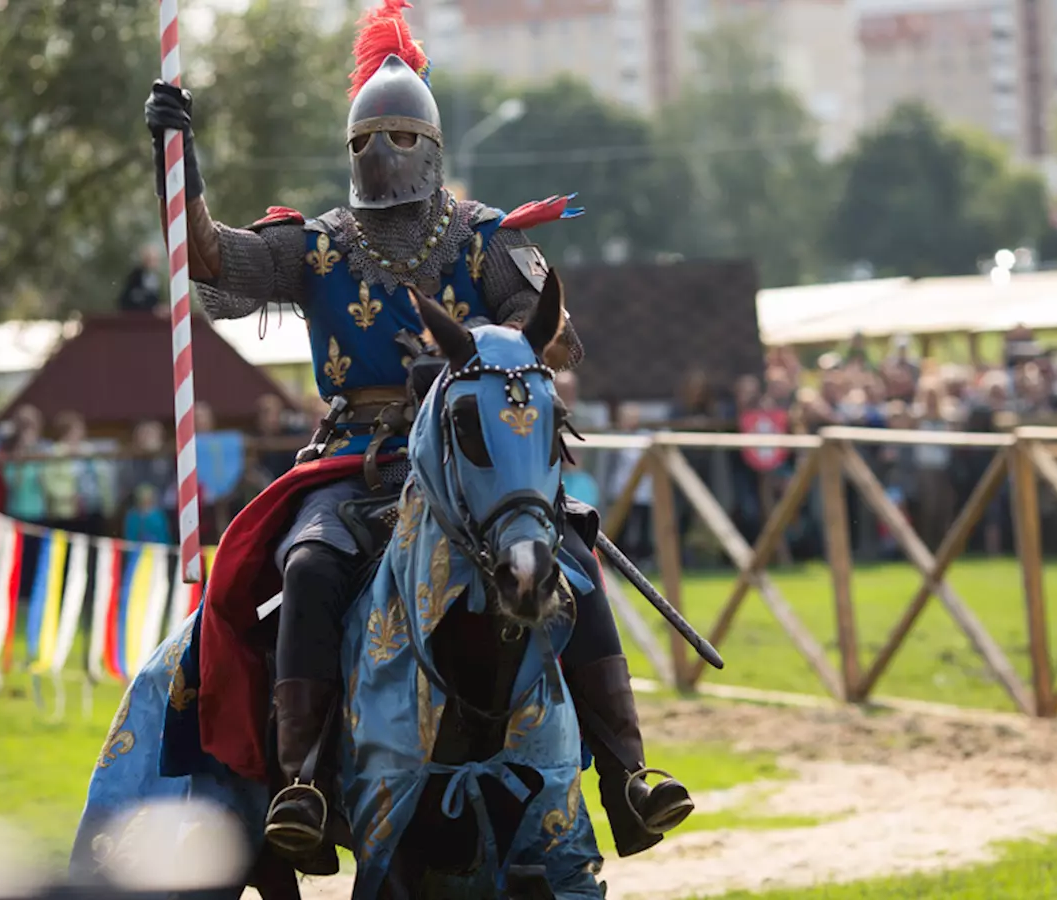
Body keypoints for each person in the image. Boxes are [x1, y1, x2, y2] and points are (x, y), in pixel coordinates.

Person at [142, 0, 689, 872]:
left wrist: (496, 356)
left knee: (571, 564)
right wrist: (182, 162)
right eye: (365, 141)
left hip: (479, 463)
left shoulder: (485, 236)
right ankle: (305, 783)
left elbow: (550, 335)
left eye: (398, 138)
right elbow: (211, 259)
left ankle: (627, 777)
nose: (381, 156)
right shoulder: (317, 245)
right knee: (311, 567)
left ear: (430, 145)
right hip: (355, 465)